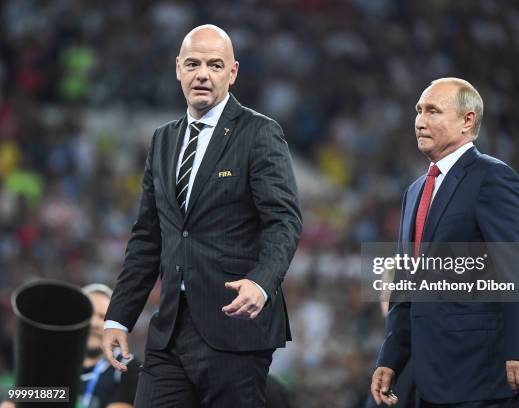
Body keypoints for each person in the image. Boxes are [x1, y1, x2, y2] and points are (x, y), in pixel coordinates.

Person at [101, 24, 302, 408]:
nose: (202, 74)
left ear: (233, 72)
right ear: (178, 69)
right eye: (192, 64)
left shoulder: (259, 133)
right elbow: (147, 237)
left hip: (236, 328)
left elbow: (285, 220)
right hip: (170, 331)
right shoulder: (163, 140)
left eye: (214, 64)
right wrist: (118, 318)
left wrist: (261, 284)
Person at [370, 78, 519, 407]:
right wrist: (390, 358)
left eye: (433, 111)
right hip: (428, 374)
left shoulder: (492, 177)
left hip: (480, 370)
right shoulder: (415, 191)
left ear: (468, 120)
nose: (420, 120)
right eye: (419, 110)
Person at [0, 284, 139, 408]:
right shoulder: (51, 364)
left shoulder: (125, 367)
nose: (94, 323)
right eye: (88, 315)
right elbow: (12, 402)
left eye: (102, 317)